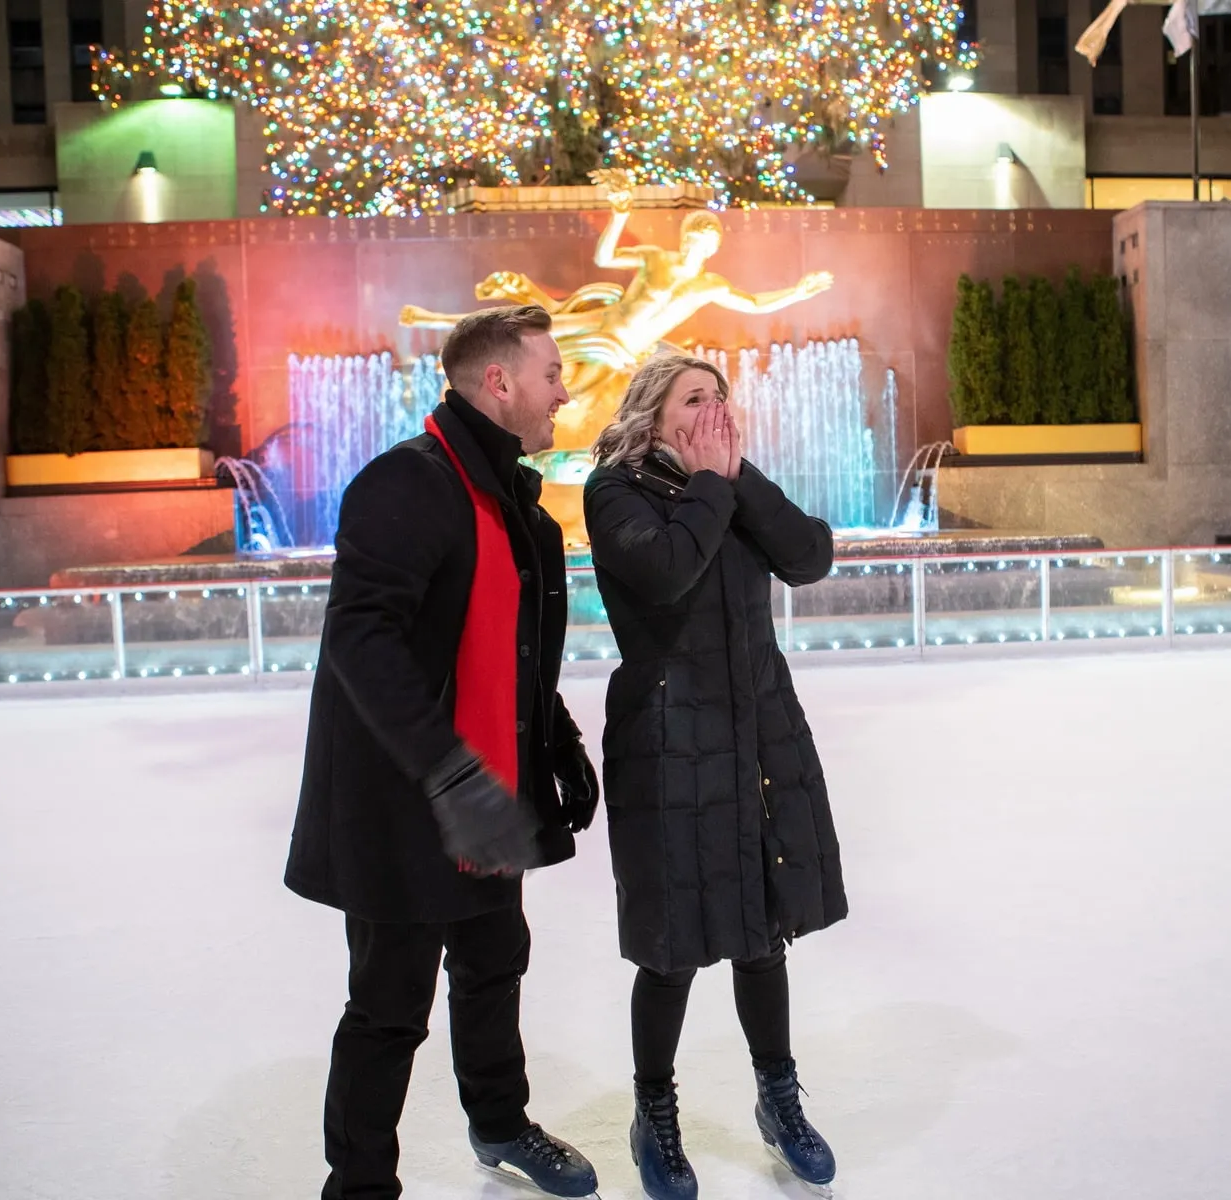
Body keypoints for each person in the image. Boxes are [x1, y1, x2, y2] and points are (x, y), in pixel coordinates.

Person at [285, 304, 604, 1200]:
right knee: (389, 1009)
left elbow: (515, 645)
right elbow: (361, 641)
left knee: (494, 962)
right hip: (406, 802)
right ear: (498, 382)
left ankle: (500, 1125)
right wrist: (449, 768)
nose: (564, 391)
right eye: (550, 374)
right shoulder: (408, 485)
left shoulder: (515, 505)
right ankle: (359, 1187)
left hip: (489, 793)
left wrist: (561, 741)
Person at [583, 352, 848, 1200]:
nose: (714, 410)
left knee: (761, 931)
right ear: (653, 414)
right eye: (694, 398)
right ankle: (653, 1115)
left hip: (759, 729)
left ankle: (779, 1099)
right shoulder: (614, 491)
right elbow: (663, 573)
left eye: (722, 397)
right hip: (668, 738)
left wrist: (733, 482)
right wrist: (710, 486)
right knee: (672, 946)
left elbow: (809, 556)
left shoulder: (729, 481)